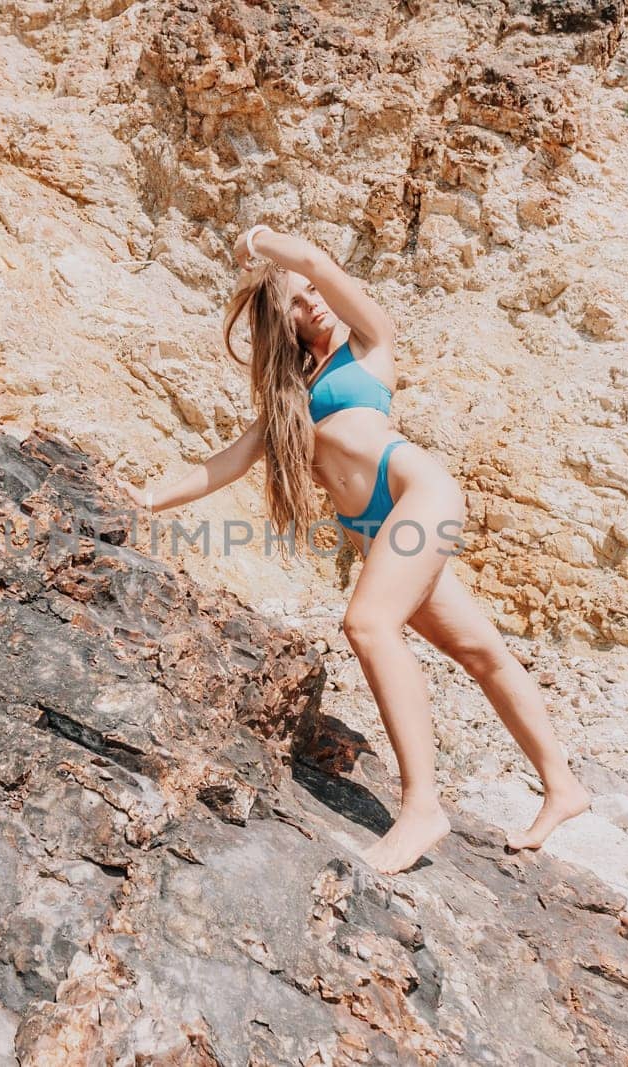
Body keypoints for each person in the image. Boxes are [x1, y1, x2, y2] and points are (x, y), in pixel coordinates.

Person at [124, 224, 589, 873]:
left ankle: (421, 805)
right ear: (275, 317)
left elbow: (314, 258)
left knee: (368, 623)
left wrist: (258, 241)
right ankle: (564, 785)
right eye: (293, 297)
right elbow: (227, 462)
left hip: (416, 493)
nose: (310, 299)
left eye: (314, 289)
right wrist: (147, 499)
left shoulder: (370, 343)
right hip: (381, 531)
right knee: (482, 652)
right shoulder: (290, 396)